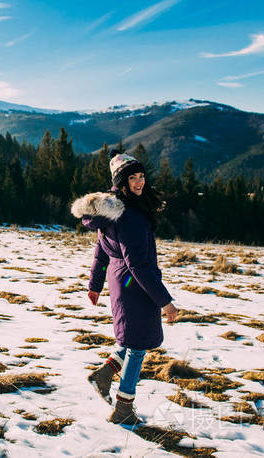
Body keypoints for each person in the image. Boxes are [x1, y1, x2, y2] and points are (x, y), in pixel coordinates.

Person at [71, 149, 178, 426]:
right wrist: (164, 301)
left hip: (121, 282)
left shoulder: (111, 211)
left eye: (142, 176)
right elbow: (138, 265)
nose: (140, 182)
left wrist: (95, 285)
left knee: (130, 338)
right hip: (135, 286)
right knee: (138, 346)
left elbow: (102, 252)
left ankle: (104, 375)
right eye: (133, 178)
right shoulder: (128, 215)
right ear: (121, 182)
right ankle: (123, 408)